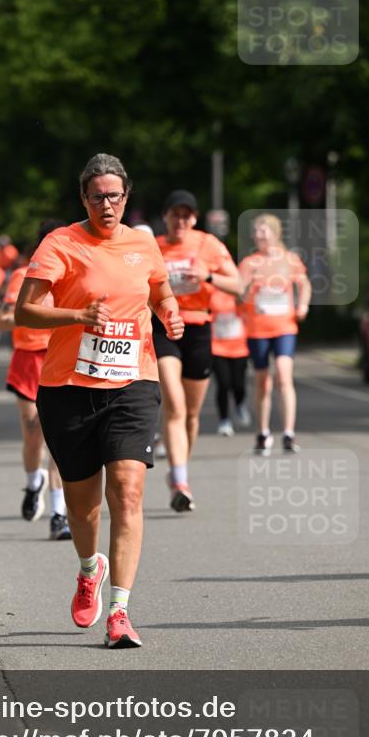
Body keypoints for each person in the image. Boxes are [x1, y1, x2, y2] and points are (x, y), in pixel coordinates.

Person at [15, 153, 184, 649]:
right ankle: (90, 569)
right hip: (68, 387)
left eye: (114, 196)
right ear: (83, 199)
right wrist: (76, 316)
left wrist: (170, 314)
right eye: (96, 197)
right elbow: (25, 311)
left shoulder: (143, 244)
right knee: (83, 505)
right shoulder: (60, 243)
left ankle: (120, 612)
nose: (106, 205)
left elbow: (161, 293)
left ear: (126, 197)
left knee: (127, 492)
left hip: (133, 381)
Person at [154, 190, 243, 511]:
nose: (181, 220)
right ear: (165, 216)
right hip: (163, 327)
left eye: (186, 215)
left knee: (191, 414)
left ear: (194, 218)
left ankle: (179, 472)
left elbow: (239, 286)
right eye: (175, 214)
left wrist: (207, 276)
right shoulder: (153, 247)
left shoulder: (208, 245)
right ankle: (180, 482)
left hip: (199, 328)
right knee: (174, 405)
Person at [0, 220, 71, 540]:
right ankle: (32, 483)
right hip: (28, 360)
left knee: (58, 440)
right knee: (33, 434)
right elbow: (2, 321)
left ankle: (58, 514)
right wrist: (29, 315)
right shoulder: (22, 276)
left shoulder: (72, 275)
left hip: (61, 358)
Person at [238, 213, 311, 455]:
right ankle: (263, 432)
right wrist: (249, 287)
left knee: (283, 373)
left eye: (262, 230)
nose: (257, 235)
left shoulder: (290, 260)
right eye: (255, 231)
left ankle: (288, 433)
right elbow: (238, 293)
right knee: (262, 380)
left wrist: (303, 305)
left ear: (275, 233)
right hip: (257, 329)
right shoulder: (249, 263)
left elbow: (304, 283)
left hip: (284, 327)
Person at [208, 285, 251, 436]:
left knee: (238, 385)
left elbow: (248, 306)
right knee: (223, 384)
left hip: (239, 349)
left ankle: (239, 403)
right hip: (217, 348)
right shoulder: (212, 293)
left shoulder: (238, 293)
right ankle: (224, 420)